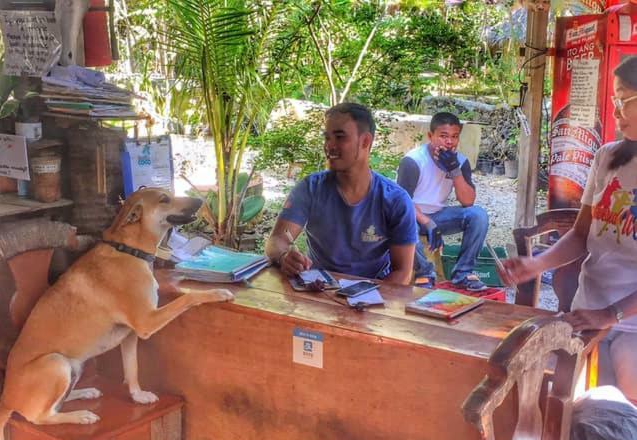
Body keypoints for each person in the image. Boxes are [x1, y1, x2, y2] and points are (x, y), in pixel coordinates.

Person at [501, 56, 637, 401]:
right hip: (585, 312)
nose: (616, 111)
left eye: (624, 100)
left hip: (629, 325)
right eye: (614, 100)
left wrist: (611, 314)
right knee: (569, 411)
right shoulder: (608, 156)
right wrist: (535, 264)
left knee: (623, 411)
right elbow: (580, 235)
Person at [265, 103, 417, 284]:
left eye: (339, 137)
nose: (329, 146)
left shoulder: (395, 200)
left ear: (365, 142)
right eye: (327, 138)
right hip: (318, 290)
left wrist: (361, 299)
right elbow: (276, 240)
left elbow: (402, 272)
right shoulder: (311, 188)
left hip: (372, 295)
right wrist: (284, 256)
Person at [396, 112, 490, 291]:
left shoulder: (460, 161)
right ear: (430, 136)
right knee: (405, 222)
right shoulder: (413, 161)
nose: (449, 142)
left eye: (454, 137)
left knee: (478, 215)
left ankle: (463, 273)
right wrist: (426, 221)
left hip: (439, 215)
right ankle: (424, 273)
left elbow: (468, 201)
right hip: (412, 216)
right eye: (443, 136)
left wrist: (454, 170)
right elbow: (402, 203)